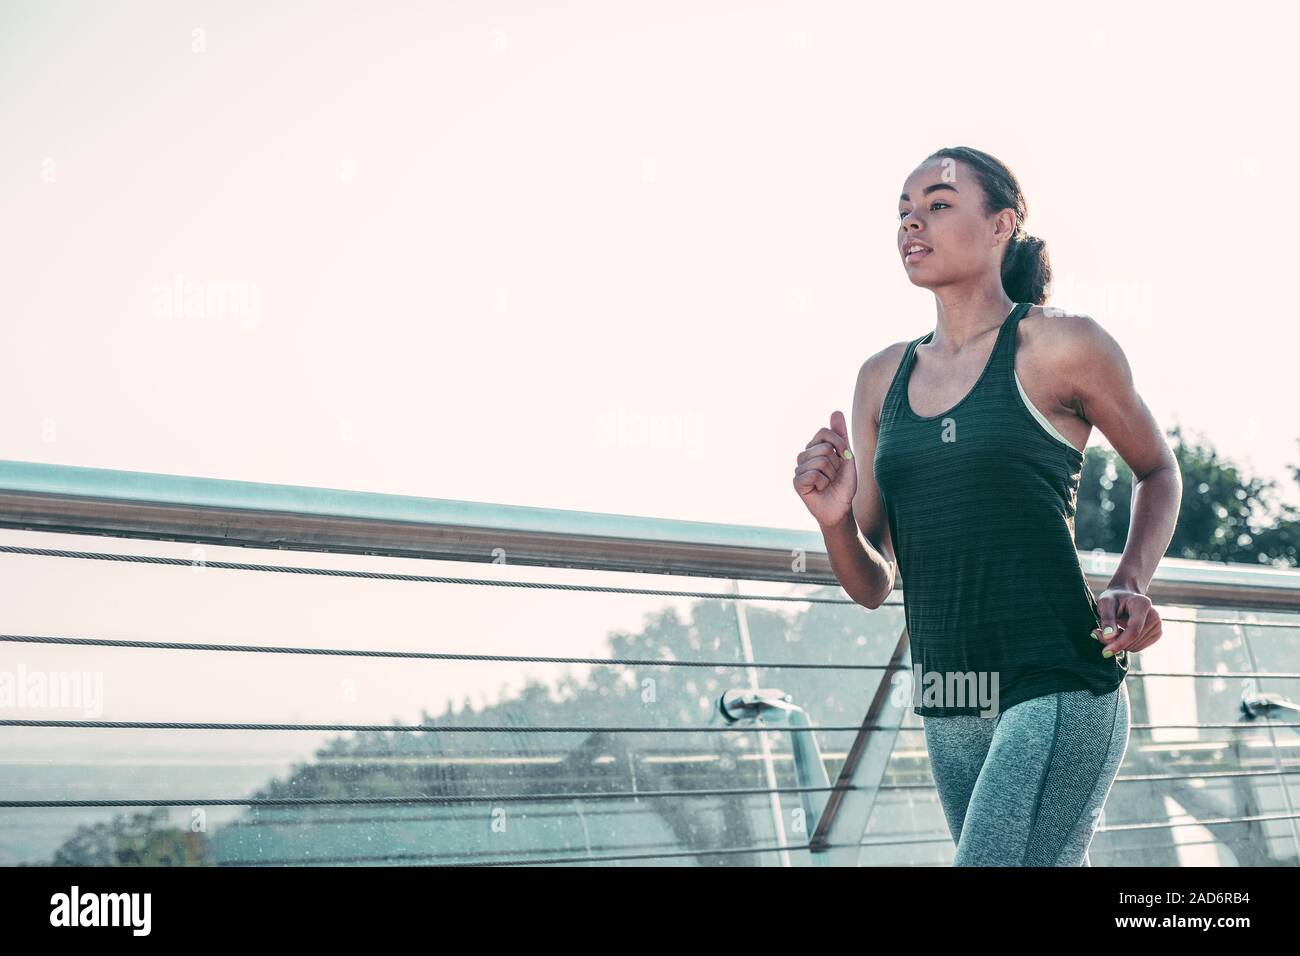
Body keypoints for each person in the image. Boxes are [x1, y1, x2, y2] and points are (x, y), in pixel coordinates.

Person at [791, 146, 1182, 866]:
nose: (913, 222)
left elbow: (1157, 470)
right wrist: (835, 518)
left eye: (938, 204)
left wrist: (1130, 579)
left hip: (1057, 678)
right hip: (949, 696)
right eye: (904, 211)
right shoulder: (881, 377)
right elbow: (874, 584)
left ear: (1002, 224)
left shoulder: (1062, 346)